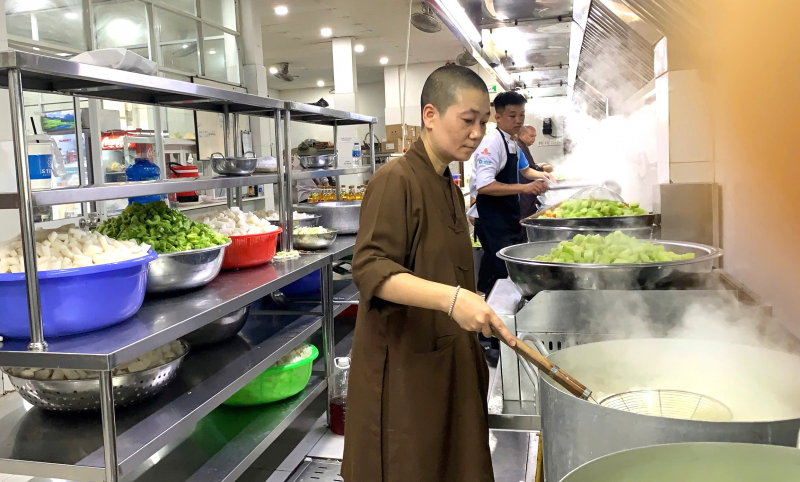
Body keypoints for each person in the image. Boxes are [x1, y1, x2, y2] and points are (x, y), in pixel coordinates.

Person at [342, 65, 517, 482]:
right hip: (404, 370)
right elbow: (370, 267)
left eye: (482, 122)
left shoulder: (446, 184)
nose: (476, 133)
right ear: (431, 115)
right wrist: (452, 300)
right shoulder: (395, 180)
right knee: (410, 463)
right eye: (468, 120)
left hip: (445, 358)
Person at [473, 92, 549, 295]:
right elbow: (484, 186)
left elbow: (524, 171)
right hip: (493, 218)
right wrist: (524, 188)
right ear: (497, 117)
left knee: (501, 268)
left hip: (508, 215)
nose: (518, 121)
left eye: (522, 115)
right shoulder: (492, 143)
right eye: (512, 115)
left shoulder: (512, 142)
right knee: (502, 272)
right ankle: (492, 312)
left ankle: (492, 304)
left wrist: (544, 179)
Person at [517, 125, 556, 218]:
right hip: (523, 191)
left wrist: (541, 170)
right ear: (522, 135)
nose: (534, 139)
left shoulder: (521, 146)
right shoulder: (519, 147)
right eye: (531, 136)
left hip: (526, 189)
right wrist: (543, 170)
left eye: (535, 136)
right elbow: (526, 171)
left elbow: (526, 168)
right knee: (525, 216)